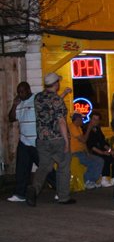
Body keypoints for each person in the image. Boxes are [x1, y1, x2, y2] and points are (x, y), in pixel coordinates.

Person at [26, 72, 75, 206]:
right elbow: (61, 121)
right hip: (57, 139)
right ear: (56, 84)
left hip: (42, 139)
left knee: (44, 167)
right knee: (63, 167)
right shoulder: (56, 99)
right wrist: (66, 141)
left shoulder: (38, 97)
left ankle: (34, 189)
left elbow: (51, 107)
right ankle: (63, 196)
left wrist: (64, 94)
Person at [7, 82, 61, 202]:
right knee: (22, 169)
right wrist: (15, 105)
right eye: (19, 92)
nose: (20, 94)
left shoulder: (37, 100)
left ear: (28, 90)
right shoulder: (19, 103)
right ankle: (19, 193)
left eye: (22, 91)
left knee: (45, 167)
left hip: (37, 141)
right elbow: (11, 118)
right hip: (24, 140)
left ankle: (61, 190)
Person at [69, 111, 104, 189]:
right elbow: (84, 140)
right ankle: (85, 181)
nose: (83, 120)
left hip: (82, 152)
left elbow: (83, 143)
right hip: (75, 153)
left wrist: (87, 153)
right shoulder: (73, 128)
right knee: (93, 163)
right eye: (81, 119)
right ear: (77, 119)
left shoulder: (78, 128)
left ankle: (92, 181)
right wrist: (89, 129)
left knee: (100, 160)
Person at [85, 111, 114, 187]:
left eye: (97, 120)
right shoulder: (86, 129)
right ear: (90, 119)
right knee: (105, 158)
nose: (96, 121)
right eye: (94, 119)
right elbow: (90, 145)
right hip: (93, 151)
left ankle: (113, 177)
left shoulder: (98, 129)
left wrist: (110, 150)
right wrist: (102, 152)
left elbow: (103, 142)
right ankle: (104, 178)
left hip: (101, 149)